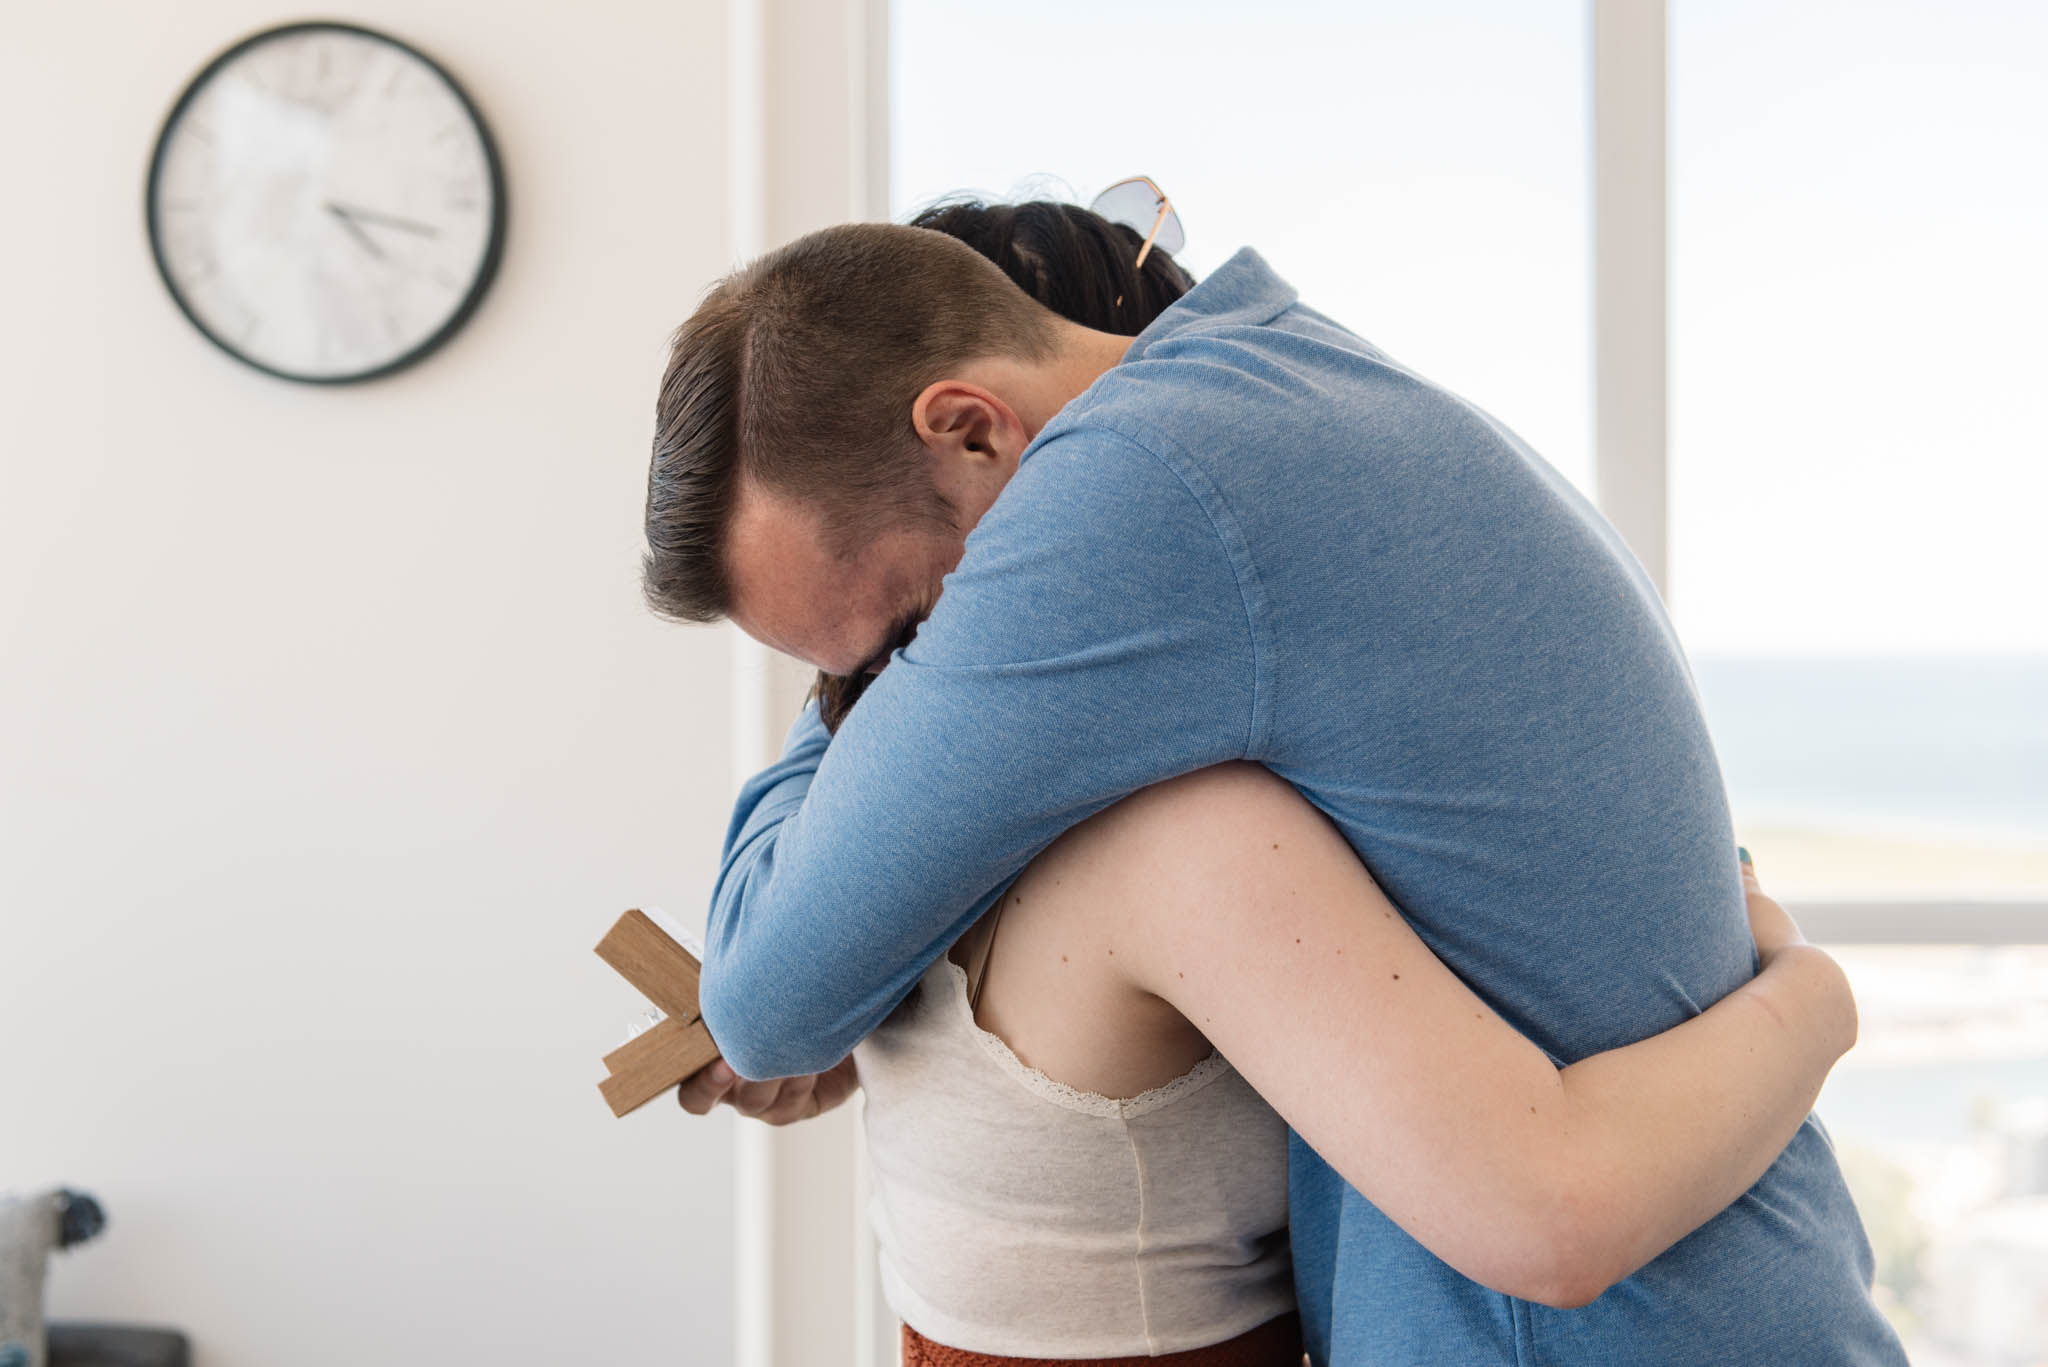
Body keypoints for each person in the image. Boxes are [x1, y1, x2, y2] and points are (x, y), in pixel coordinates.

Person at [643, 202, 1909, 1363]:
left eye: (912, 627)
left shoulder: (1129, 502)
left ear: (971, 425)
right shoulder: (1280, 374)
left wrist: (1816, 1005)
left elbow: (763, 999)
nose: (899, 688)